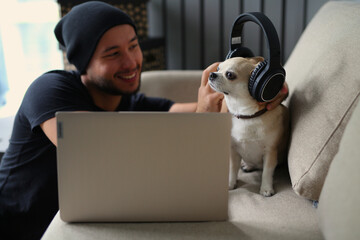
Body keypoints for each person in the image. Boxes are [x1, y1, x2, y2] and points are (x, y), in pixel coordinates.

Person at [0, 1, 288, 239]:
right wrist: (202, 118)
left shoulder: (127, 102)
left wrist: (258, 96)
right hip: (17, 224)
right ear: (83, 63)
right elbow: (97, 157)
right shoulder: (50, 90)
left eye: (133, 46)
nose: (131, 62)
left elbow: (196, 114)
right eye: (113, 53)